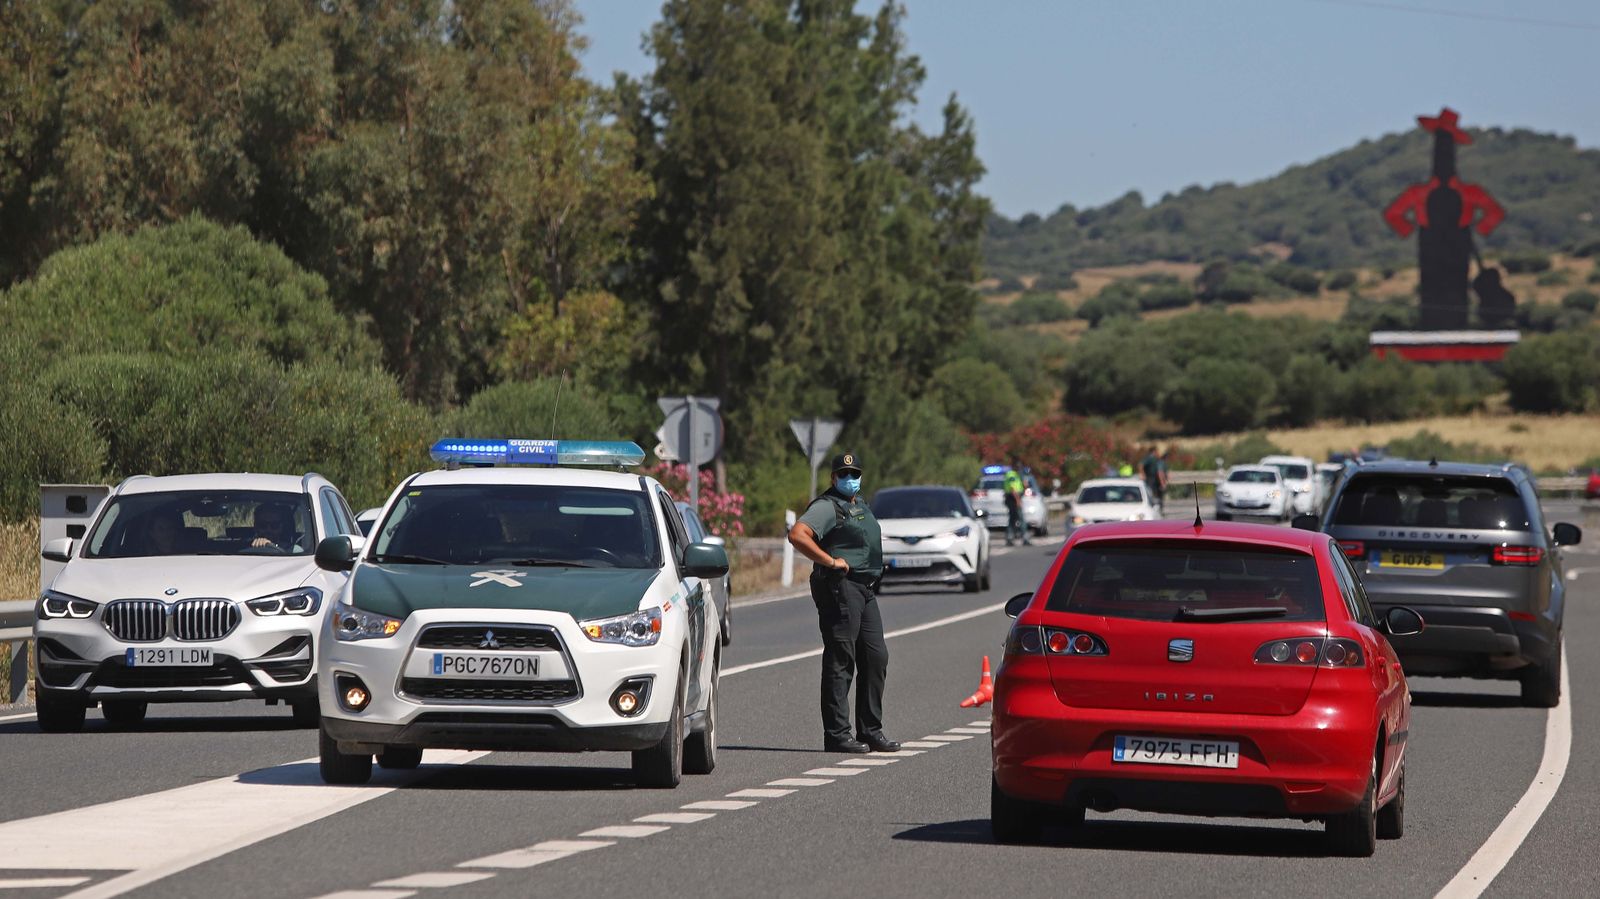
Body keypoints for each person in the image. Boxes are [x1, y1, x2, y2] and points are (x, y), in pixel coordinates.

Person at [786, 452, 899, 754]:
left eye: (855, 473)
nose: (851, 479)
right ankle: (837, 734)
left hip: (864, 589)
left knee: (876, 657)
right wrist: (830, 560)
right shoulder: (827, 506)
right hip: (840, 587)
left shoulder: (857, 503)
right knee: (841, 658)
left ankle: (871, 730)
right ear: (834, 478)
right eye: (844, 474)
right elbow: (798, 535)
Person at [1002, 462, 1029, 547]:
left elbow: (1023, 486)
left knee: (1013, 519)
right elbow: (1013, 489)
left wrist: (1024, 484)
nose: (1019, 468)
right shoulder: (1012, 475)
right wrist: (1018, 500)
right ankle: (1024, 538)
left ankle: (1010, 538)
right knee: (1020, 519)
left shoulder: (1018, 474)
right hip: (1013, 499)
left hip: (1015, 498)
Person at [1141, 444, 1168, 515]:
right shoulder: (1151, 458)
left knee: (1156, 496)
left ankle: (1158, 510)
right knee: (1153, 495)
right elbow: (1159, 472)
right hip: (1151, 479)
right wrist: (1143, 474)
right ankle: (1156, 511)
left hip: (1155, 480)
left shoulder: (1156, 459)